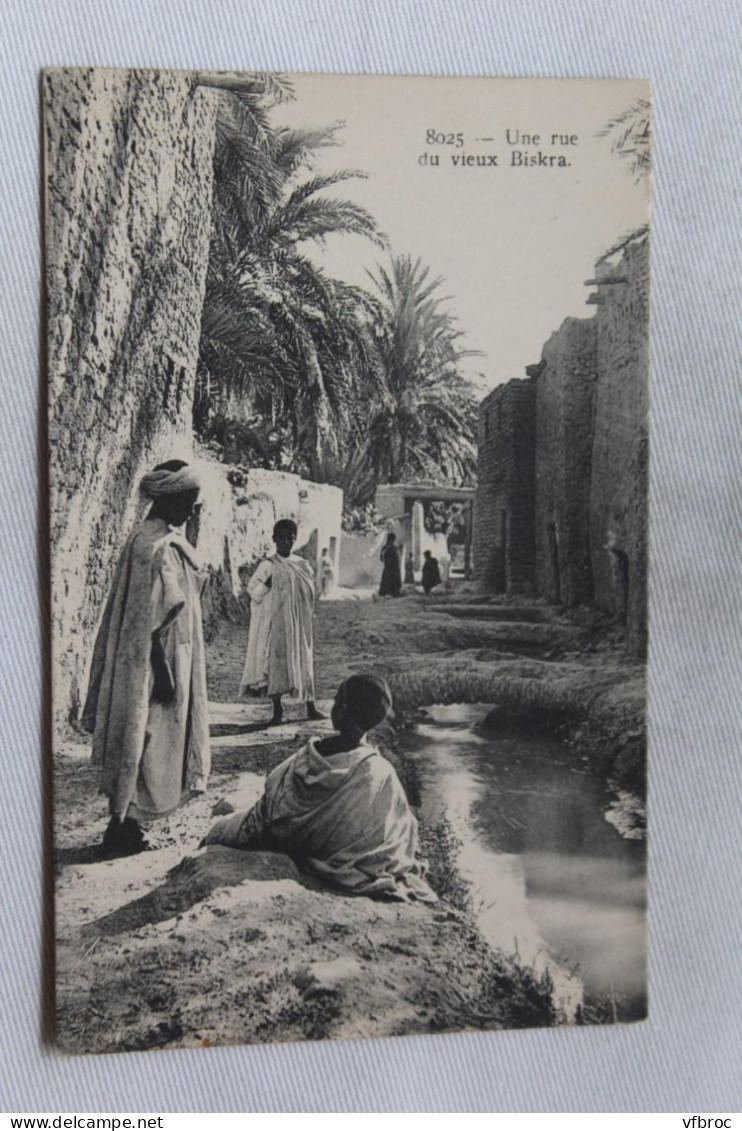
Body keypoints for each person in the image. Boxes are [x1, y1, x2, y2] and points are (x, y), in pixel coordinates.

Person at [202, 674, 437, 903]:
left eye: (336, 700)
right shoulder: (380, 773)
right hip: (333, 849)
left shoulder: (307, 757)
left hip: (284, 837)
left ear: (342, 711)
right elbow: (401, 825)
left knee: (218, 832)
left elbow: (273, 797)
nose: (333, 706)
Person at [81, 459, 210, 856]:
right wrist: (163, 669)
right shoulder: (152, 547)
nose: (191, 510)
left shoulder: (161, 540)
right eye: (188, 501)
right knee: (146, 736)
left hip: (168, 657)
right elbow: (150, 620)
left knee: (151, 738)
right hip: (155, 664)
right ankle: (121, 826)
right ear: (168, 499)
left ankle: (129, 824)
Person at [239, 519, 323, 726]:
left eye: (290, 538)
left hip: (299, 624)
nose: (286, 542)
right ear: (274, 539)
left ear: (295, 539)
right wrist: (267, 585)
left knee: (304, 660)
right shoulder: (267, 565)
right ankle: (278, 711)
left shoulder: (302, 565)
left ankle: (310, 707)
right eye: (281, 538)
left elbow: (310, 594)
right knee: (275, 664)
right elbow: (252, 590)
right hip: (276, 623)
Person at [379, 531, 402, 597]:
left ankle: (393, 592)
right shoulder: (387, 548)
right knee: (389, 579)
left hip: (391, 568)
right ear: (389, 539)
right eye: (392, 539)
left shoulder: (388, 548)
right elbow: (381, 558)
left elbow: (381, 558)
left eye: (393, 540)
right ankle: (389, 592)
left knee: (391, 580)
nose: (392, 541)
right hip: (390, 568)